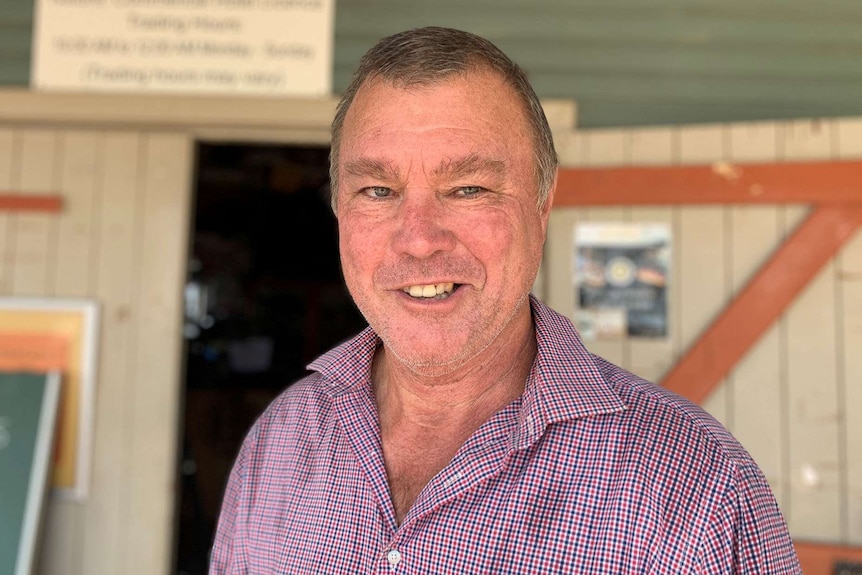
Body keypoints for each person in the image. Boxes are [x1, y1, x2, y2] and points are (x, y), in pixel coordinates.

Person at [210, 27, 801, 574]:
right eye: (378, 189)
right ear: (340, 209)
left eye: (469, 188)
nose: (418, 238)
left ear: (541, 209)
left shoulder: (700, 488)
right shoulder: (281, 441)